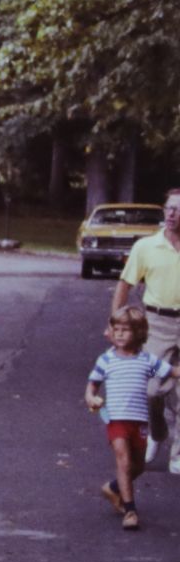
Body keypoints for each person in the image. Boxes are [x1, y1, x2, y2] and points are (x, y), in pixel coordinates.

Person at [87, 307, 173, 531]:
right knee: (123, 462)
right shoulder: (106, 359)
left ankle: (112, 487)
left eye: (126, 330)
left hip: (139, 421)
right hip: (116, 419)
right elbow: (93, 384)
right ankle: (130, 510)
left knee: (138, 466)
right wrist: (91, 397)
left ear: (139, 333)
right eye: (116, 329)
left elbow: (171, 371)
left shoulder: (146, 360)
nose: (120, 334)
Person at [113, 187, 180, 474]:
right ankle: (158, 431)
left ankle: (178, 454)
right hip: (157, 323)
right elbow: (125, 285)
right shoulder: (146, 247)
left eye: (178, 209)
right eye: (170, 208)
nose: (173, 214)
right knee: (153, 389)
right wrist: (115, 324)